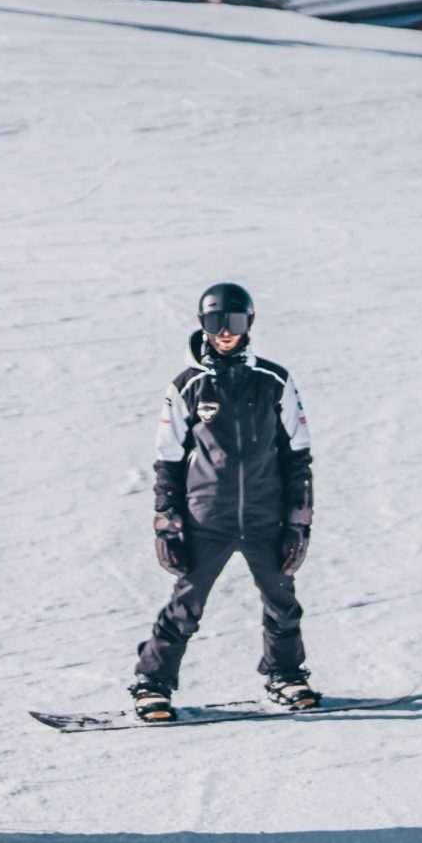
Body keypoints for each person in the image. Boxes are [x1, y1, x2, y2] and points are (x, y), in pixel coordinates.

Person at [129, 282, 316, 718]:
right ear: (202, 325)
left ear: (249, 323)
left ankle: (286, 675)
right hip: (205, 518)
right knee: (186, 605)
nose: (225, 332)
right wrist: (167, 520)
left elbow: (298, 457)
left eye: (233, 322)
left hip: (266, 518)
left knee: (282, 601)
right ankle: (151, 683)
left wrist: (298, 521)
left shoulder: (274, 381)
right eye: (215, 323)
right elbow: (167, 460)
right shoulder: (188, 385)